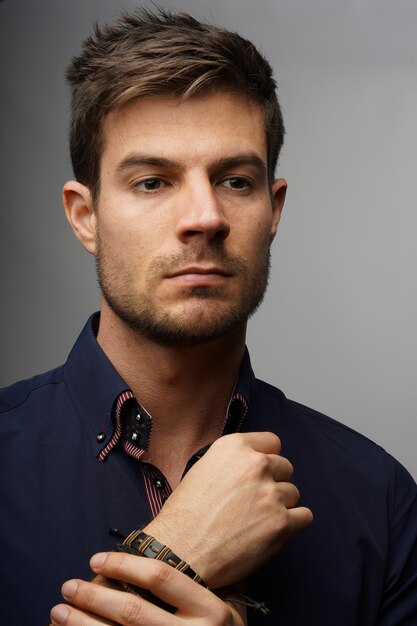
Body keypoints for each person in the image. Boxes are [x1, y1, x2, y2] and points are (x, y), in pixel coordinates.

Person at [1, 7, 416, 626]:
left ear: (273, 210)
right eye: (152, 182)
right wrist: (177, 553)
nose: (205, 216)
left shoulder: (379, 499)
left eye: (235, 180)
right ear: (85, 216)